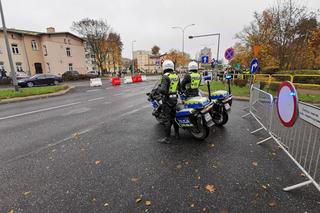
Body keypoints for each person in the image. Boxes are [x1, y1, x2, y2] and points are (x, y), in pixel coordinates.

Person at [157, 60, 180, 144]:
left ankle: (167, 138)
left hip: (167, 100)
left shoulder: (165, 76)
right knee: (174, 117)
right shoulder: (176, 76)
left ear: (164, 67)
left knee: (167, 119)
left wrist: (159, 88)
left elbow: (163, 90)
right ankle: (177, 134)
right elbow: (179, 88)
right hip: (175, 99)